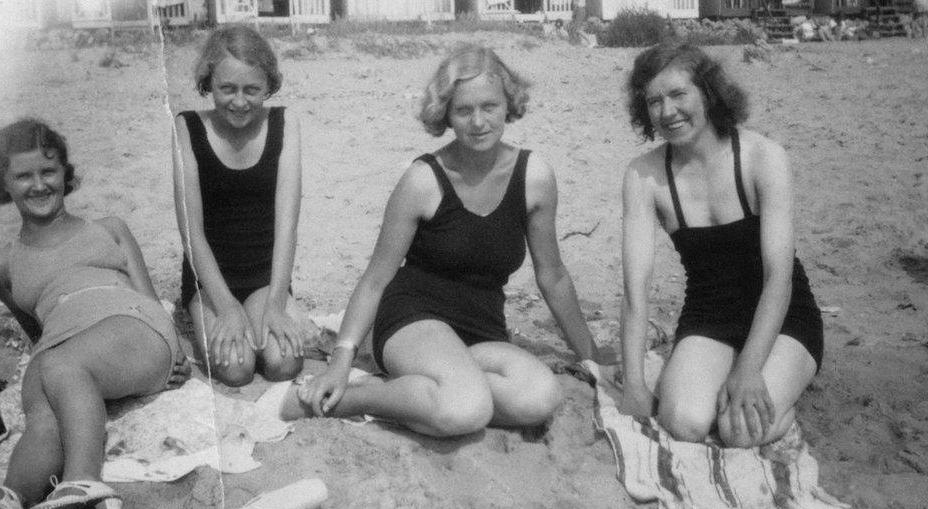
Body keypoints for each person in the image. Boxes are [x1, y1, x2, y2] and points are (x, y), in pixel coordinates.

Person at [278, 45, 605, 437]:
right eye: (464, 110)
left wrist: (592, 358)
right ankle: (358, 397)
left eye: (490, 106)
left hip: (482, 330)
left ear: (508, 106)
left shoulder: (534, 177)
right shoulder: (423, 180)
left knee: (539, 397)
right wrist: (341, 360)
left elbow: (552, 275)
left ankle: (435, 388)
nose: (478, 122)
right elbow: (375, 279)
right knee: (465, 409)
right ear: (446, 114)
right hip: (414, 320)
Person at [0, 119, 191, 509]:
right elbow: (38, 332)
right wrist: (41, 368)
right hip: (65, 349)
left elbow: (151, 302)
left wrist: (177, 349)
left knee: (60, 368)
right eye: (23, 176)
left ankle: (84, 480)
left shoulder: (109, 229)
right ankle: (13, 501)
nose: (38, 184)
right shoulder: (2, 264)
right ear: (5, 185)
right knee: (44, 409)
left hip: (131, 328)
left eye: (48, 171)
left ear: (66, 174)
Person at [619, 44, 823, 448]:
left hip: (784, 317)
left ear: (708, 94)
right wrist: (634, 383)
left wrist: (747, 369)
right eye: (654, 101)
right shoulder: (643, 176)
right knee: (683, 421)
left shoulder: (763, 157)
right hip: (709, 315)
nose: (668, 112)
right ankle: (758, 395)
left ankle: (784, 401)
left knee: (738, 430)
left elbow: (778, 278)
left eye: (679, 95)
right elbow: (634, 289)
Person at [173, 25, 310, 387]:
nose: (239, 101)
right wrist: (228, 307)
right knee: (236, 368)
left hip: (266, 275)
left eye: (252, 89)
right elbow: (191, 233)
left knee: (284, 363)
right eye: (227, 89)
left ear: (268, 86)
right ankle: (204, 312)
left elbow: (287, 227)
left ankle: (263, 310)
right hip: (210, 278)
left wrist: (277, 303)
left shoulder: (285, 123)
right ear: (208, 84)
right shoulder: (187, 128)